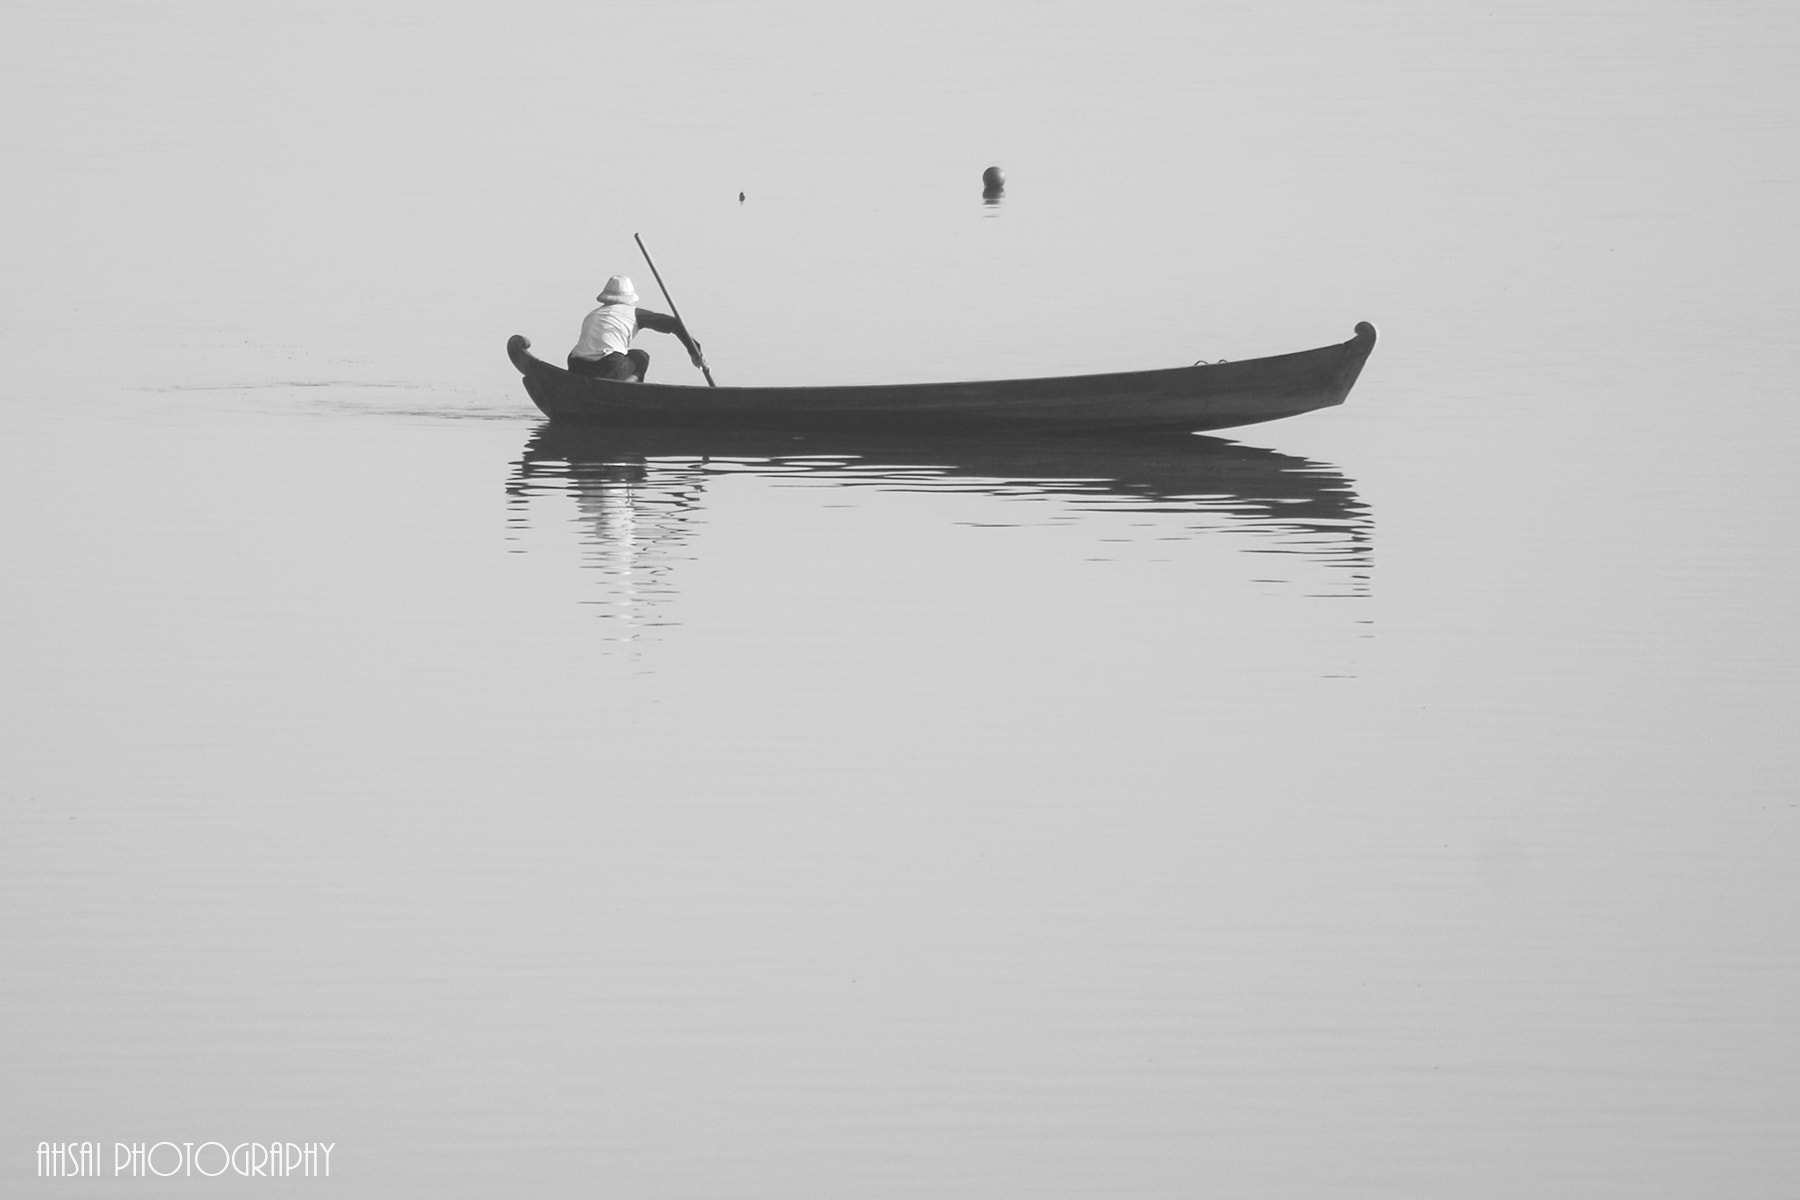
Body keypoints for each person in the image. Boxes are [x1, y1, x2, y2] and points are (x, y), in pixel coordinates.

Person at [567, 275, 705, 382]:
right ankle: (627, 390)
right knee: (640, 357)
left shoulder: (592, 314)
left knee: (623, 356)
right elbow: (674, 324)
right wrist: (695, 352)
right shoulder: (633, 313)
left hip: (576, 364)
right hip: (608, 366)